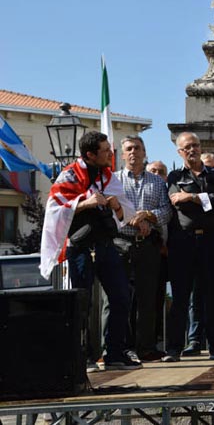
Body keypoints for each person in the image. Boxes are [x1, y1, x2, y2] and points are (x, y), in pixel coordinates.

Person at [39, 131, 140, 370]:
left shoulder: (108, 176)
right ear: (90, 154)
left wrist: (115, 204)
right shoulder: (69, 174)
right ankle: (82, 356)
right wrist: (86, 203)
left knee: (121, 296)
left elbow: (126, 209)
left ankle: (114, 353)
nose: (110, 154)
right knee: (82, 303)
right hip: (81, 248)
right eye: (105, 151)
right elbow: (54, 209)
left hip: (106, 245)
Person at [162, 132, 214, 362]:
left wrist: (192, 198)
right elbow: (175, 202)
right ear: (179, 152)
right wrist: (206, 202)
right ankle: (173, 348)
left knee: (213, 296)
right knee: (180, 298)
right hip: (183, 242)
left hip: (210, 241)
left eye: (196, 145)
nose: (192, 150)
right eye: (187, 147)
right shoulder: (174, 176)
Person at [114, 136, 172, 362]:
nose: (133, 152)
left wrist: (148, 216)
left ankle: (146, 347)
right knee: (121, 299)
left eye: (137, 148)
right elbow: (111, 211)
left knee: (148, 300)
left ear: (144, 151)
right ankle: (123, 347)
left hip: (148, 247)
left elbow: (166, 212)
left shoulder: (157, 183)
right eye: (128, 149)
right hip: (122, 246)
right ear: (122, 154)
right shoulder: (115, 181)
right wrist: (133, 220)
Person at [146, 161, 169, 348]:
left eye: (161, 172)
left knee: (159, 300)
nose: (157, 174)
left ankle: (157, 340)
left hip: (169, 257)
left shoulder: (167, 196)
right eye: (153, 171)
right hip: (149, 252)